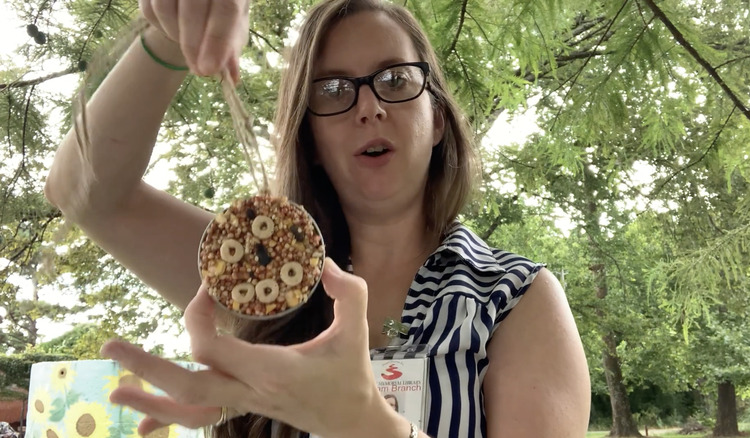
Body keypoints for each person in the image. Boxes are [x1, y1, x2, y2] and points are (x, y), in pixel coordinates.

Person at [44, 0, 591, 437]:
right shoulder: (260, 280)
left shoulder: (515, 297)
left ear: (439, 119)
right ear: (311, 142)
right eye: (333, 89)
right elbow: (85, 194)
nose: (368, 107)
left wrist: (364, 423)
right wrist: (170, 33)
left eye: (396, 79)